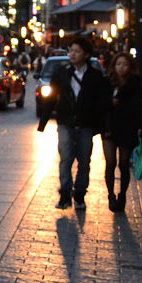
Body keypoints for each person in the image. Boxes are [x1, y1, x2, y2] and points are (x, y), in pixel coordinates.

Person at [45, 36, 110, 210]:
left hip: (86, 123)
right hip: (66, 121)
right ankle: (65, 194)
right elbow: (52, 96)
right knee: (65, 158)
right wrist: (44, 120)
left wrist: (102, 125)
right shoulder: (62, 72)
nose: (72, 54)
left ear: (86, 54)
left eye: (77, 51)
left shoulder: (95, 76)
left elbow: (101, 102)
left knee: (84, 160)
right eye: (71, 50)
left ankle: (80, 194)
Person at [105, 54, 142, 212]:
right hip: (109, 128)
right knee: (110, 163)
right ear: (114, 66)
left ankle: (122, 195)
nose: (121, 67)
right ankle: (110, 195)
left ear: (130, 67)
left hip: (127, 128)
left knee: (124, 164)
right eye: (118, 64)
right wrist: (110, 102)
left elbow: (141, 109)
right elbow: (100, 103)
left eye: (125, 64)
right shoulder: (108, 82)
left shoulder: (136, 85)